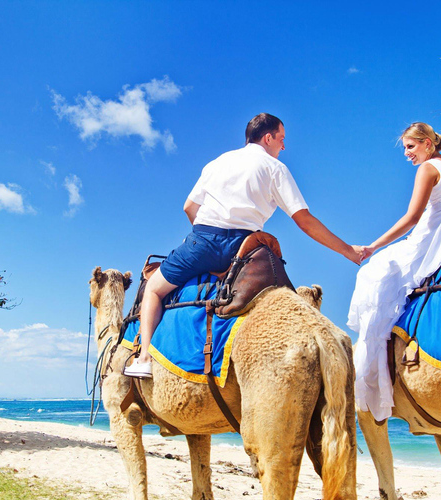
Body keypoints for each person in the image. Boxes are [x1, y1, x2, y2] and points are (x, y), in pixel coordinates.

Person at [124, 113, 364, 378]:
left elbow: (189, 207)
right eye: (281, 139)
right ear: (268, 137)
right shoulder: (275, 168)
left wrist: (205, 240)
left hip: (202, 240)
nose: (283, 146)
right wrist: (348, 251)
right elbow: (304, 220)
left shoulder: (217, 163)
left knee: (154, 290)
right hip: (245, 249)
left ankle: (144, 358)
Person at [347, 122, 441, 421]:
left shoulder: (428, 169)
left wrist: (372, 246)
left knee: (374, 273)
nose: (407, 154)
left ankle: (375, 366)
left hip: (435, 237)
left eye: (411, 147)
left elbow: (412, 218)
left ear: (427, 144)